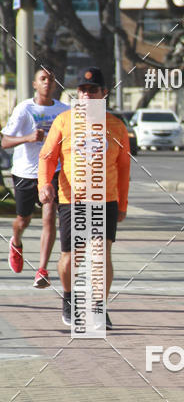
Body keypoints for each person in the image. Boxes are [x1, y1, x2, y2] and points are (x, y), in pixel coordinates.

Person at [38, 67, 131, 329]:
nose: (87, 95)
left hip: (106, 200)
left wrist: (122, 203)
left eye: (93, 90)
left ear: (104, 94)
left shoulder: (116, 126)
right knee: (71, 256)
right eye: (82, 90)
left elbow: (124, 168)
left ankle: (99, 307)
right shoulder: (64, 121)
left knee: (101, 255)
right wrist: (44, 185)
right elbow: (47, 157)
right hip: (72, 200)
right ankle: (69, 300)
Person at [2, 65, 69, 287]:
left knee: (50, 215)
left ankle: (42, 270)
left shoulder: (63, 110)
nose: (47, 83)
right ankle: (16, 241)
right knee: (23, 220)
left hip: (53, 171)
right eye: (43, 79)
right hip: (25, 171)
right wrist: (28, 138)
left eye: (50, 79)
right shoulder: (24, 110)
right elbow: (4, 141)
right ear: (35, 84)